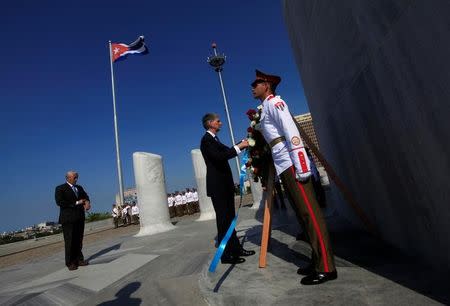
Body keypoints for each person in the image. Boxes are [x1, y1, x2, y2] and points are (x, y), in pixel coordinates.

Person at [251, 70, 337, 285]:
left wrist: (301, 165)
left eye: (256, 83)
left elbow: (291, 132)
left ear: (267, 86)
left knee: (310, 214)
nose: (253, 87)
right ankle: (316, 260)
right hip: (282, 163)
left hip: (291, 162)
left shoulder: (276, 103)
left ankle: (326, 267)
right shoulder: (265, 108)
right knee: (301, 215)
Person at [200, 113, 255, 264]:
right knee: (224, 220)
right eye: (218, 121)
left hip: (224, 185)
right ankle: (226, 255)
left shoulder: (214, 140)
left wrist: (242, 143)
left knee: (230, 219)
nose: (221, 123)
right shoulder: (206, 140)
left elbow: (228, 150)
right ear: (210, 123)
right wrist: (239, 146)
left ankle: (235, 249)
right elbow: (220, 156)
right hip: (218, 187)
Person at [54, 171, 91, 271]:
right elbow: (60, 202)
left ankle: (79, 259)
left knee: (79, 240)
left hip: (79, 217)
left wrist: (87, 202)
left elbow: (85, 196)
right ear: (68, 178)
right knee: (70, 241)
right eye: (75, 177)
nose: (76, 179)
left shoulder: (79, 188)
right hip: (68, 219)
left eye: (77, 177)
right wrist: (77, 202)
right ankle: (70, 262)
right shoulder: (60, 188)